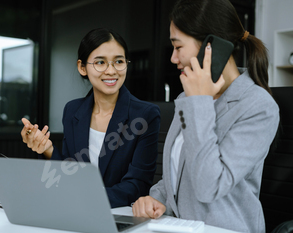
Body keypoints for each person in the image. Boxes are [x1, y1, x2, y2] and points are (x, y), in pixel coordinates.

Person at [132, 0, 280, 232]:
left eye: (178, 47)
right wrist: (156, 198)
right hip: (179, 227)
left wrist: (199, 104)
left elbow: (208, 186)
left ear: (212, 47)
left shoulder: (258, 107)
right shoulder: (187, 98)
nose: (172, 58)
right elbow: (179, 173)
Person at [21, 28, 161, 208]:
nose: (111, 71)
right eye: (100, 62)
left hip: (119, 216)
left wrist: (84, 199)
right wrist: (47, 149)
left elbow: (137, 185)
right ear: (82, 67)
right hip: (76, 212)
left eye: (119, 61)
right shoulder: (72, 111)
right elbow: (69, 173)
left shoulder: (145, 115)